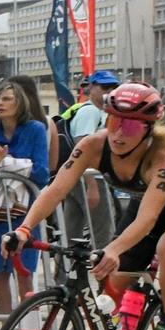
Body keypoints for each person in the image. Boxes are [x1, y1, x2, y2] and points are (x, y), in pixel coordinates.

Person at [7, 82, 165, 330]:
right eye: (113, 121)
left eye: (129, 127)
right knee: (108, 298)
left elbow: (150, 218)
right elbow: (56, 189)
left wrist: (114, 249)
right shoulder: (92, 145)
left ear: (148, 129)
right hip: (142, 213)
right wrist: (24, 228)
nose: (117, 133)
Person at [0, 80, 49, 325]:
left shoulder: (36, 129)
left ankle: (31, 329)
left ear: (20, 102)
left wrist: (5, 162)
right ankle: (7, 329)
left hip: (26, 211)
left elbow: (41, 172)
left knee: (24, 270)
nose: (0, 103)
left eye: (6, 98)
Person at [52, 69, 119, 247]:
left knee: (71, 230)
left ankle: (64, 272)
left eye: (113, 87)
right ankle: (104, 273)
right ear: (91, 87)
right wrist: (92, 185)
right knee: (103, 229)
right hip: (89, 177)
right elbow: (84, 150)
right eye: (104, 86)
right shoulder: (91, 112)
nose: (109, 91)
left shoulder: (87, 110)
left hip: (76, 176)